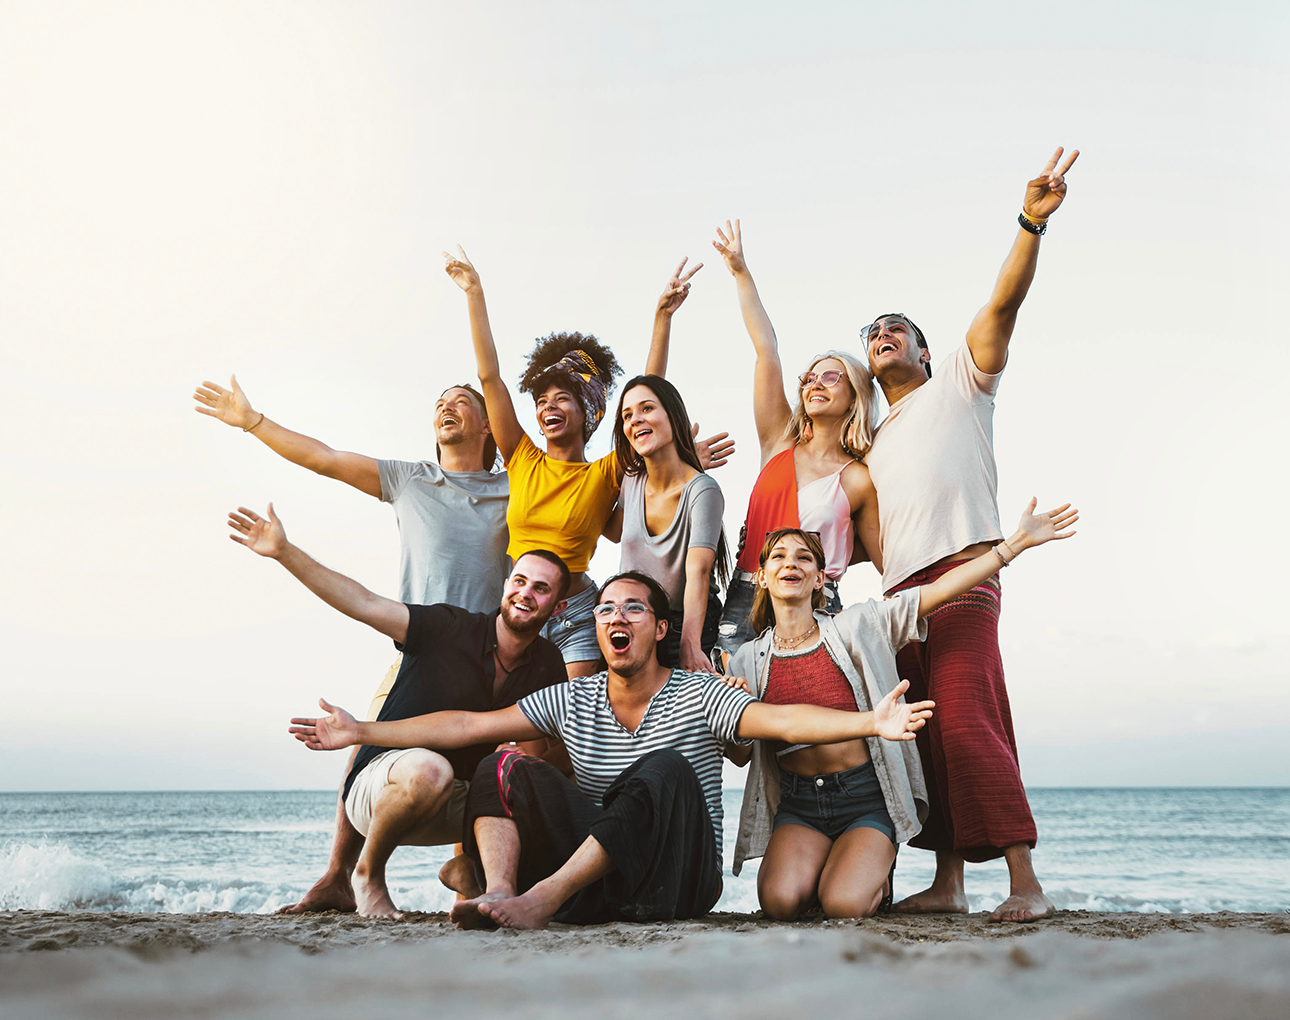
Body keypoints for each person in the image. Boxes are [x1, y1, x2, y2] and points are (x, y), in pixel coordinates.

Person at [289, 571, 934, 930]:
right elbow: (465, 725)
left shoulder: (700, 693)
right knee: (505, 759)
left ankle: (539, 902)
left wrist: (870, 724)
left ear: (658, 627)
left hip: (677, 880)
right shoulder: (576, 698)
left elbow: (782, 720)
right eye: (604, 610)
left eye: (632, 608)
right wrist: (361, 733)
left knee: (662, 767)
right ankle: (505, 892)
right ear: (598, 630)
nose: (614, 617)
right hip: (604, 882)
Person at [861, 146, 1081, 923]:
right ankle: (949, 885)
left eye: (897, 328)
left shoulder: (959, 378)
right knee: (923, 736)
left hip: (966, 570)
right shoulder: (873, 441)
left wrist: (1029, 225)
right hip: (898, 600)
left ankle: (1025, 886)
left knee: (968, 719)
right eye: (872, 332)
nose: (883, 333)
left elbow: (1002, 306)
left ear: (922, 349)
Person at [193, 377, 510, 914]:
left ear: (487, 426)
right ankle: (340, 876)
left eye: (462, 401)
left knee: (485, 764)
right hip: (417, 651)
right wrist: (253, 422)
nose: (446, 406)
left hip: (493, 659)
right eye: (439, 403)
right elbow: (326, 458)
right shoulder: (411, 481)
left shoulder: (514, 489)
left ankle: (469, 876)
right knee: (365, 748)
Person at [727, 498, 1077, 920]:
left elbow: (934, 593)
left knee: (844, 906)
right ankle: (829, 866)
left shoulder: (856, 626)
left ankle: (871, 873)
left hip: (862, 799)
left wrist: (1011, 547)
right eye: (779, 556)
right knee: (781, 903)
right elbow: (743, 755)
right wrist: (735, 719)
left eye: (804, 557)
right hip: (799, 806)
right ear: (762, 577)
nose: (791, 563)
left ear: (820, 578)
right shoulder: (748, 659)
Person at [228, 501, 569, 917]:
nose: (525, 594)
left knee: (531, 786)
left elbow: (542, 755)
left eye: (541, 588)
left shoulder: (548, 664)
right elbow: (363, 602)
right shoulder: (449, 628)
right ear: (504, 585)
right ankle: (367, 876)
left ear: (558, 607)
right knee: (430, 769)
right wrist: (285, 551)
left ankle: (471, 873)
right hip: (382, 788)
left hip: (455, 804)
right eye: (519, 581)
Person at [443, 248, 733, 678]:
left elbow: (646, 397)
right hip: (523, 608)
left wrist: (662, 321)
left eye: (562, 398)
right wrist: (473, 293)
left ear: (589, 413)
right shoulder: (521, 457)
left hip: (579, 615)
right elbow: (491, 379)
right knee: (515, 721)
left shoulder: (604, 474)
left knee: (566, 724)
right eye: (541, 401)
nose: (548, 408)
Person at [710, 220, 880, 654]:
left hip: (819, 605)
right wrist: (740, 271)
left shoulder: (859, 477)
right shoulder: (778, 444)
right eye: (810, 377)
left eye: (831, 377)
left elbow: (883, 557)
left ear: (855, 395)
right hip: (746, 598)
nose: (815, 383)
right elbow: (767, 350)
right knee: (735, 713)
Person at [611, 374, 730, 672]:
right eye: (627, 415)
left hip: (685, 624)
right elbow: (611, 530)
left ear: (673, 416)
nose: (635, 420)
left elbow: (699, 571)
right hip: (632, 622)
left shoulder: (702, 490)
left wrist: (689, 644)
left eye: (647, 409)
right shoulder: (631, 481)